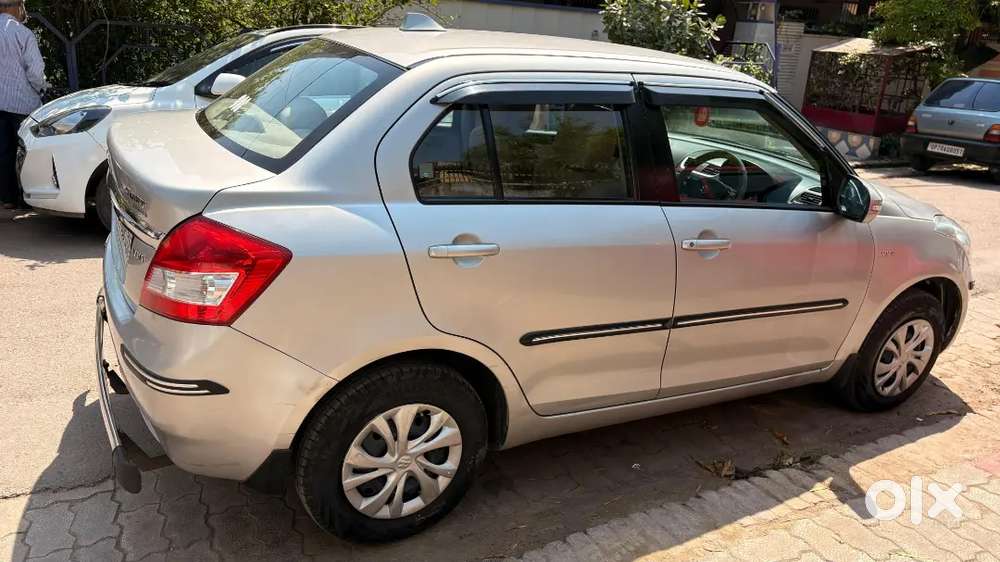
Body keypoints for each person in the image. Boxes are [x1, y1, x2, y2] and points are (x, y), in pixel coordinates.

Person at [0, 0, 45, 210]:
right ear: (16, 7)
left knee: (3, 151)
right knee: (28, 150)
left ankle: (8, 198)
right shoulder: (22, 33)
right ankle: (30, 198)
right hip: (21, 102)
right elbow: (35, 72)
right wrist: (42, 89)